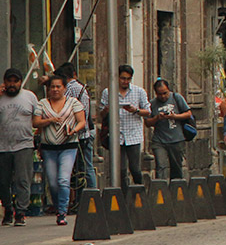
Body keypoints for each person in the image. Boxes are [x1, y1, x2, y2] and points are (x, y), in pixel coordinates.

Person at [32, 74, 87, 225]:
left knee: (63, 179)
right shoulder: (42, 104)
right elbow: (36, 122)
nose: (55, 90)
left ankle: (62, 212)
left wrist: (74, 130)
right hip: (49, 148)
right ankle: (58, 207)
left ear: (64, 88)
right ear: (48, 89)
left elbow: (82, 121)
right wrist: (49, 120)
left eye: (58, 87)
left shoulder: (73, 102)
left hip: (69, 146)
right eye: (52, 87)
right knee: (52, 181)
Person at [99, 64, 151, 186]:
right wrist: (107, 109)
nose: (125, 81)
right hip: (117, 136)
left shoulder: (139, 92)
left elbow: (148, 112)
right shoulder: (108, 92)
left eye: (128, 79)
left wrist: (135, 110)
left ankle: (139, 191)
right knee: (120, 170)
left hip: (133, 135)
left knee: (135, 168)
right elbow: (101, 113)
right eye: (123, 78)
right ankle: (123, 196)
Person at [0, 68, 37, 226]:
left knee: (23, 180)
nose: (12, 84)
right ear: (5, 82)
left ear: (21, 82)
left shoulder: (30, 97)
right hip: (3, 146)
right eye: (9, 81)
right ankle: (8, 210)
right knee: (3, 182)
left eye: (15, 81)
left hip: (24, 145)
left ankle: (21, 212)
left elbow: (37, 118)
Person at [55, 63, 96, 192]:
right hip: (84, 133)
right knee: (87, 166)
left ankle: (79, 197)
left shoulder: (66, 90)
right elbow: (86, 113)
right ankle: (92, 194)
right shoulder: (82, 89)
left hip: (72, 135)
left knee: (74, 169)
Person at [145, 79, 192, 180]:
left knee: (176, 167)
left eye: (165, 93)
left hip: (176, 139)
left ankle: (176, 189)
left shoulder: (176, 98)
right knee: (160, 166)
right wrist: (157, 118)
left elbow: (188, 113)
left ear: (169, 90)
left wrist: (174, 116)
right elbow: (147, 123)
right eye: (159, 94)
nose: (162, 96)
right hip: (159, 140)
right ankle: (160, 189)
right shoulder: (152, 103)